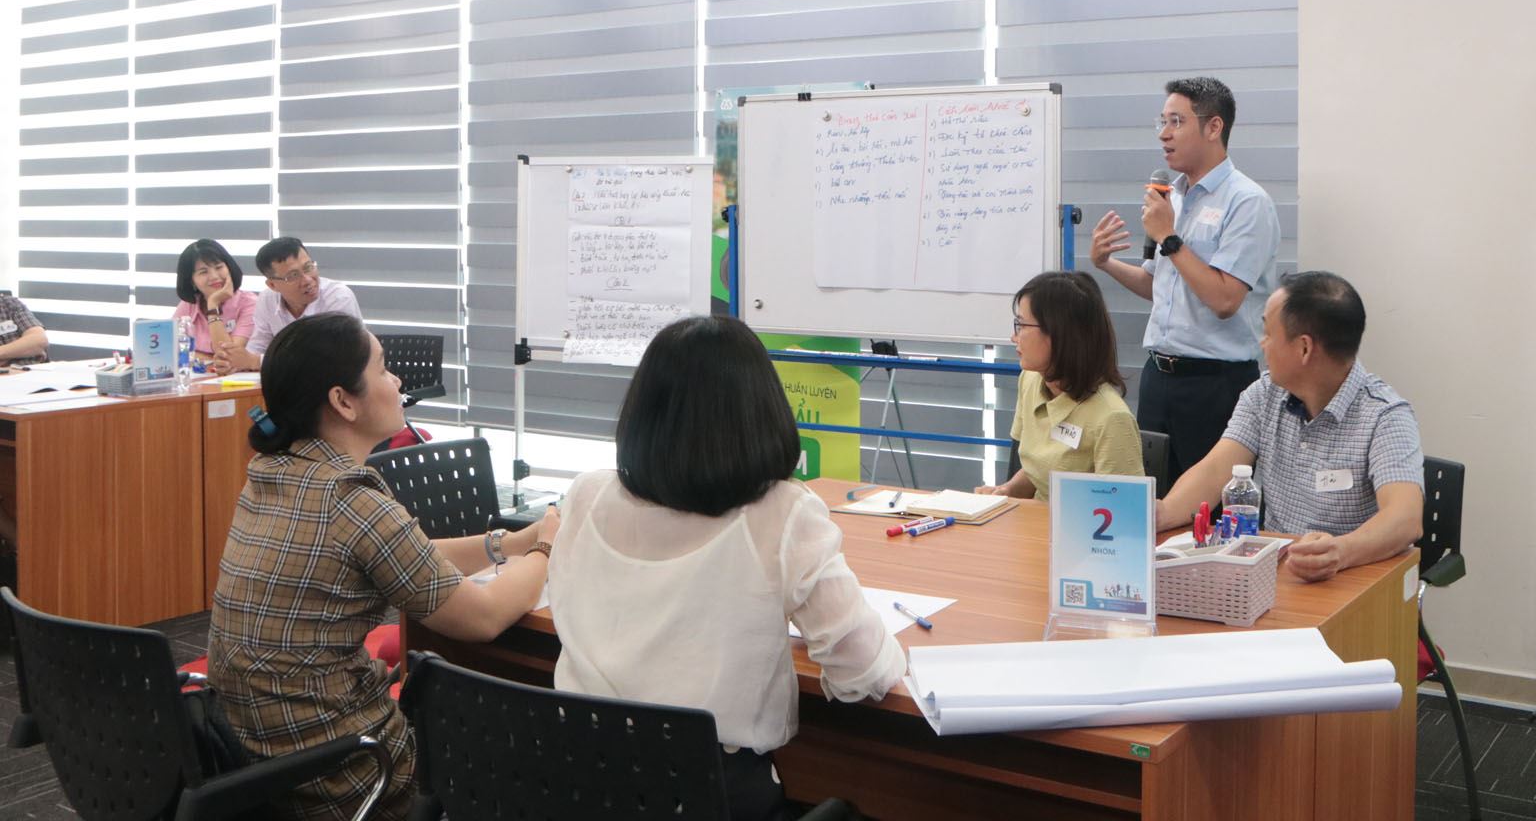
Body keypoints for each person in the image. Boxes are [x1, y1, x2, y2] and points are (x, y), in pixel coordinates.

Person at [547, 315, 905, 821]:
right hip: (711, 794)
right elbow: (863, 672)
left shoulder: (587, 495)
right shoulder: (783, 512)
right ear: (761, 413)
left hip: (577, 781)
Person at [208, 314, 558, 821]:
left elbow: (406, 553)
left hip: (253, 764)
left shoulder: (276, 471)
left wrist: (508, 543)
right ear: (343, 401)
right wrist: (544, 549)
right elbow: (482, 617)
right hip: (349, 772)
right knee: (532, 749)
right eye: (383, 368)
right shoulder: (351, 498)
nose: (397, 380)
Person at [1156, 273, 1422, 584]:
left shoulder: (1385, 416)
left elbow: (1404, 518)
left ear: (1304, 348)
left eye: (1269, 333)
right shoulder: (1264, 394)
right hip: (1278, 575)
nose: (1262, 343)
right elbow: (1215, 471)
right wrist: (1163, 513)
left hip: (1349, 581)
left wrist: (1340, 551)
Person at [1088, 76, 1280, 479]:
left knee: (1211, 506)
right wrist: (1105, 263)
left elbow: (1225, 299)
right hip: (1159, 378)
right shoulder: (1171, 197)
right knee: (1153, 499)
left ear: (1214, 127)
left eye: (1176, 121)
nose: (1164, 134)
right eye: (1162, 121)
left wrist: (1169, 237)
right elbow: (1157, 285)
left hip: (1215, 385)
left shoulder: (1247, 202)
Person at [977, 270, 1143, 501]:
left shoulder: (1111, 418)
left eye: (1021, 325)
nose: (1014, 337)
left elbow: (1125, 511)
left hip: (1079, 525)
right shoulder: (1030, 380)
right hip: (1035, 520)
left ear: (1059, 334)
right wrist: (1007, 490)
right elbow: (1037, 471)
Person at [221, 236, 362, 372]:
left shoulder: (338, 298)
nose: (307, 280)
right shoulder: (267, 300)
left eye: (308, 267)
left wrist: (255, 361)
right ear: (272, 285)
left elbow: (332, 359)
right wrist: (234, 362)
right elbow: (258, 346)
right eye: (293, 275)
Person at [170, 239, 257, 376]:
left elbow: (228, 356)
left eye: (219, 267)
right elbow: (171, 349)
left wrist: (213, 305)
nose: (214, 276)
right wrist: (210, 359)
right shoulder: (188, 305)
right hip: (199, 380)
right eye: (203, 272)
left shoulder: (249, 303)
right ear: (192, 280)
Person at [0, 291, 48, 364]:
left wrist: (3, 354)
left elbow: (39, 341)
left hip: (32, 368)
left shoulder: (10, 304)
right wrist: (19, 350)